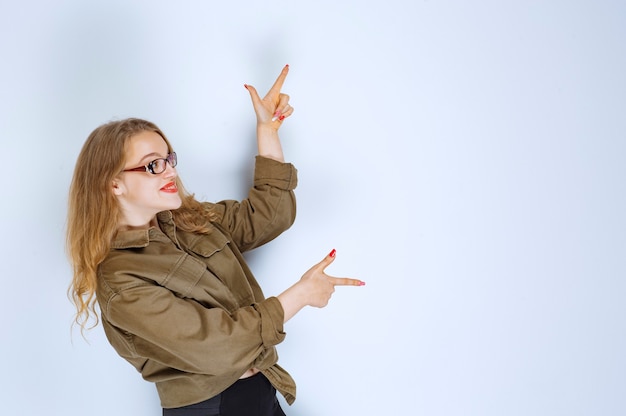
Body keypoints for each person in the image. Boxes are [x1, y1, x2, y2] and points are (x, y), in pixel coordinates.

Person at [66, 65, 365, 416]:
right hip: (212, 407)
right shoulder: (120, 280)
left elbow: (268, 216)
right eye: (152, 166)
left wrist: (267, 132)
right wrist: (300, 295)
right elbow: (217, 347)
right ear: (113, 183)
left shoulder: (186, 219)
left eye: (169, 159)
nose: (171, 172)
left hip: (260, 390)